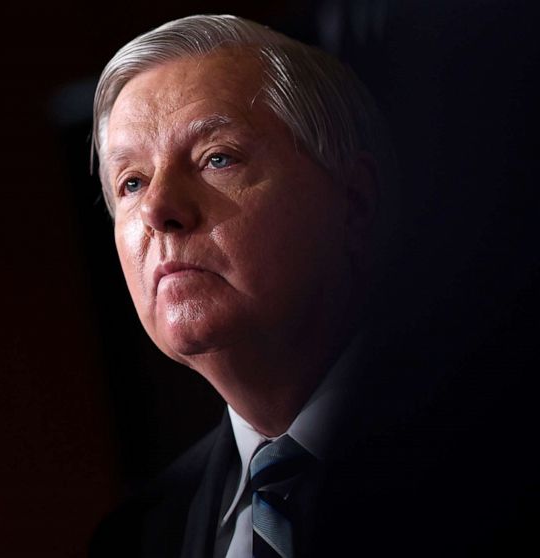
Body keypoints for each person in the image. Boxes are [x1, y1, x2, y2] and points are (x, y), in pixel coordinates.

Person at [88, 14, 402, 558]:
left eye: (217, 158)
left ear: (354, 201)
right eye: (132, 182)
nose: (158, 210)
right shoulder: (135, 539)